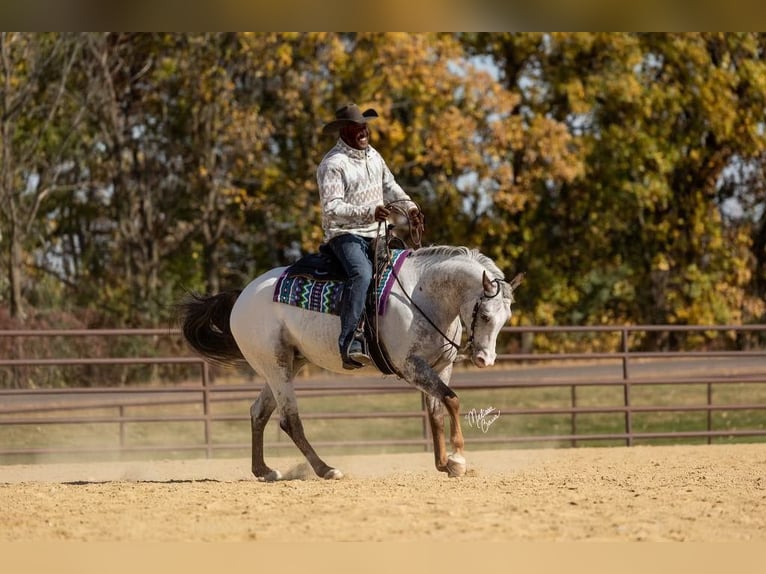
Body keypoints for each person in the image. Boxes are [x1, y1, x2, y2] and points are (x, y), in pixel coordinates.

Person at [317, 103, 423, 370]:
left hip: (376, 231)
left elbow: (390, 186)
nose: (362, 130)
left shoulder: (373, 156)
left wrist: (410, 207)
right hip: (344, 234)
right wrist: (369, 212)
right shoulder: (332, 164)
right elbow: (332, 209)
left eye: (364, 125)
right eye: (355, 126)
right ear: (343, 131)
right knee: (362, 274)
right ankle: (349, 341)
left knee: (408, 267)